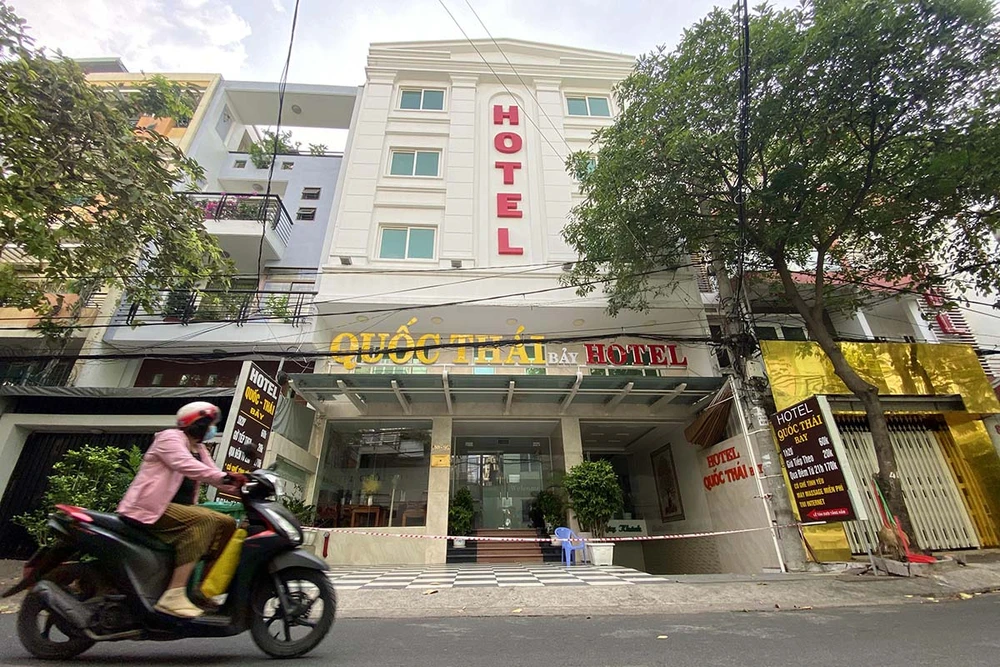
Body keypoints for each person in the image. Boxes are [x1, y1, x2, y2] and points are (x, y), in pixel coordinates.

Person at [117, 401, 247, 618]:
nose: (212, 429)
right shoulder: (169, 438)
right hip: (150, 508)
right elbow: (185, 464)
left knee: (227, 523)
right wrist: (225, 477)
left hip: (177, 509)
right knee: (206, 520)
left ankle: (200, 589)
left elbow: (214, 476)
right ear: (197, 424)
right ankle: (174, 594)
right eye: (209, 424)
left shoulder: (200, 449)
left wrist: (247, 487)